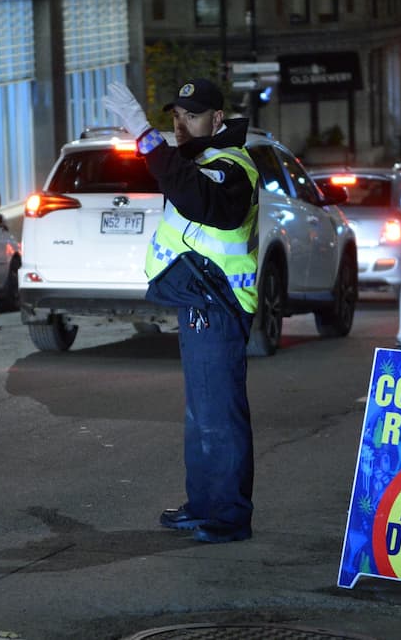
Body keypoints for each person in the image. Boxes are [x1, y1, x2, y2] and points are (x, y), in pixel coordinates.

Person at [104, 77, 258, 544]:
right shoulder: (202, 160)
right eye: (175, 117)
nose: (181, 125)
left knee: (218, 414)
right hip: (199, 300)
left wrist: (144, 135)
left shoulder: (232, 166)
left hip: (219, 300)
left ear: (217, 118)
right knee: (200, 415)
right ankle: (205, 504)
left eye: (191, 116)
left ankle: (228, 516)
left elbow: (198, 198)